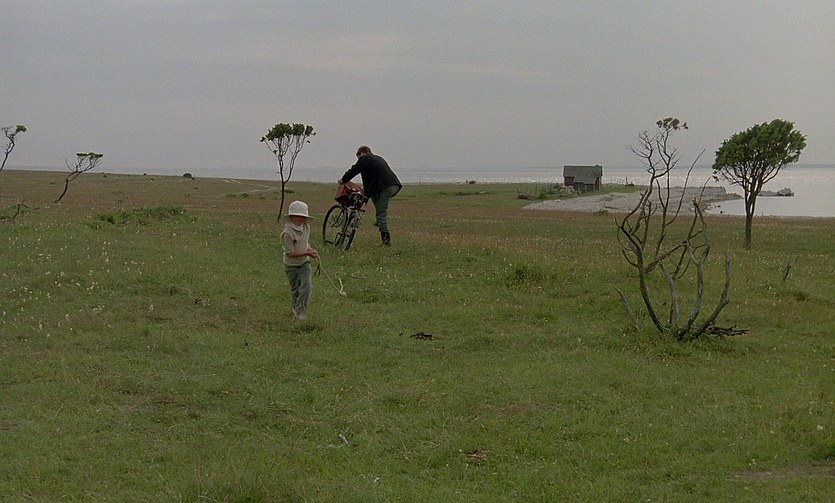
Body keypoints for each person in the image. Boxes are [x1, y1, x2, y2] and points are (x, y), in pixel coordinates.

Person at [339, 145, 402, 246]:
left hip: (385, 187)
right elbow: (373, 178)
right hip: (390, 185)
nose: (359, 160)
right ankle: (379, 222)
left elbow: (354, 170)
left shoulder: (365, 158)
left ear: (362, 153)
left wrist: (343, 180)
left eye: (358, 157)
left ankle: (386, 242)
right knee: (375, 200)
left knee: (381, 212)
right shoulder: (377, 158)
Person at [281, 200, 319, 320]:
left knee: (307, 286)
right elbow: (290, 253)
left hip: (304, 263)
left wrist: (310, 250)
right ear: (291, 217)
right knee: (295, 289)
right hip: (291, 265)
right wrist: (307, 253)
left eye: (302, 216)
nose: (300, 219)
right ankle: (296, 310)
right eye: (297, 216)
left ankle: (301, 310)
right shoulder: (287, 233)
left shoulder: (306, 227)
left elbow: (305, 242)